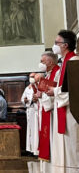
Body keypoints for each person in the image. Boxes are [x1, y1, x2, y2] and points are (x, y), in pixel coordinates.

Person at [48, 30, 78, 172]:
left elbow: (72, 89)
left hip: (72, 110)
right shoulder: (64, 63)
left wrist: (54, 92)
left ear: (65, 45)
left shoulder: (73, 62)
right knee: (64, 144)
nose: (54, 46)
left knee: (72, 145)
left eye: (56, 43)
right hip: (63, 109)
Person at [36, 51, 60, 170]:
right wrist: (41, 95)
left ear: (50, 62)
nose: (40, 64)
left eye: (42, 61)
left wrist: (42, 96)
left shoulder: (57, 72)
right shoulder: (48, 74)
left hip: (54, 112)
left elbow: (54, 95)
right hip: (48, 111)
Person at [21, 73, 39, 156]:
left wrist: (35, 100)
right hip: (29, 110)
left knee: (35, 131)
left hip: (35, 111)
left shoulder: (38, 86)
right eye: (30, 77)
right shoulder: (27, 88)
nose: (31, 78)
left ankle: (36, 150)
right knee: (30, 131)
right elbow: (22, 98)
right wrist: (24, 100)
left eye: (32, 77)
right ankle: (30, 150)